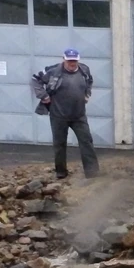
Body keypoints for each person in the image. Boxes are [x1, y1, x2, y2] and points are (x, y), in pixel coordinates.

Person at [31, 48, 100, 180]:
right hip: (58, 115)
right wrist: (43, 96)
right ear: (64, 59)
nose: (72, 63)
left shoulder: (84, 70)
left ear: (78, 60)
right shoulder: (53, 71)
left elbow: (89, 81)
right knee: (59, 144)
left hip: (79, 115)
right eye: (69, 61)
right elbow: (36, 79)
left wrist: (87, 94)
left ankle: (92, 173)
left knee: (86, 141)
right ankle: (61, 173)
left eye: (74, 60)